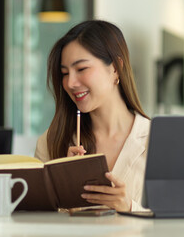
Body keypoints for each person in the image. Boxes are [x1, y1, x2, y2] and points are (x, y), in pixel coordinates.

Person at [34, 20, 150, 212]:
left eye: (81, 69)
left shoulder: (157, 140)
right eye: (64, 73)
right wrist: (62, 188)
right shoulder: (51, 142)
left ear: (115, 68)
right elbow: (36, 225)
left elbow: (177, 225)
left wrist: (128, 208)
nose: (70, 83)